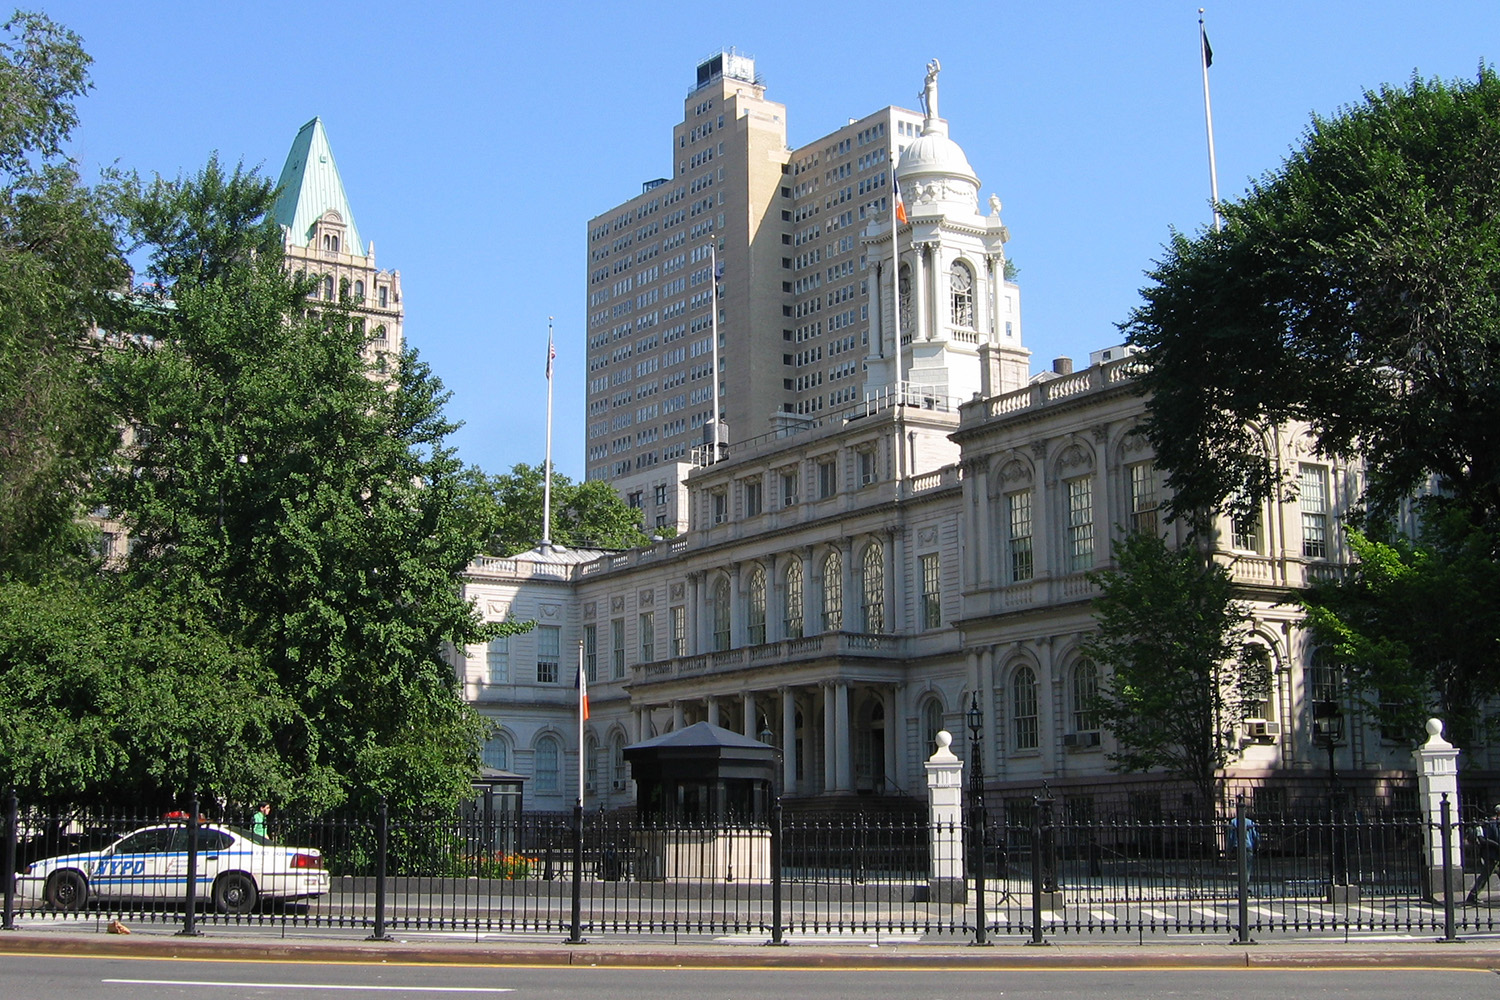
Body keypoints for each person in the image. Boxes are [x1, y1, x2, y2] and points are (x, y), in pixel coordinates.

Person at [1465, 804, 1500, 905]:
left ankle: (1472, 896)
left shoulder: (1494, 823)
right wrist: (1497, 845)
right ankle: (1472, 896)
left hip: (1495, 854)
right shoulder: (1491, 823)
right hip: (1492, 855)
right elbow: (1487, 839)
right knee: (1485, 876)